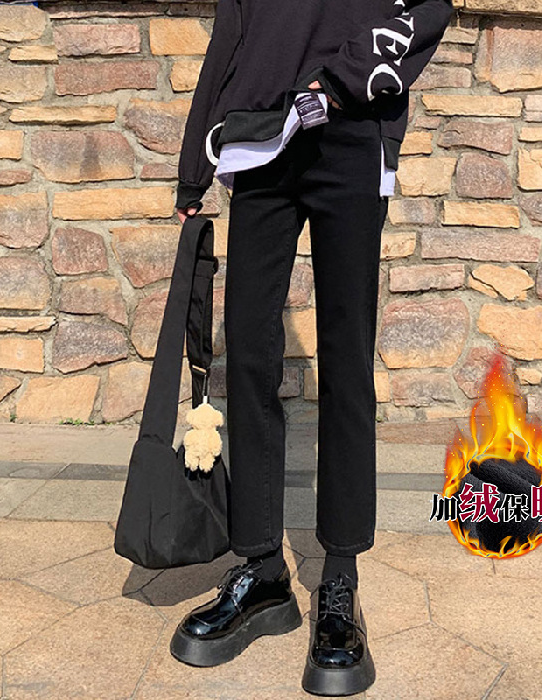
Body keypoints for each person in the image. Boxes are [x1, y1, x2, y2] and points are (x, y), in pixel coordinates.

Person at [170, 0, 453, 695]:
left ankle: (340, 579)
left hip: (352, 131)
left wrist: (340, 81)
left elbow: (429, 8)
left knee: (346, 364)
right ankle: (262, 568)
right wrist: (193, 164)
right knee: (249, 357)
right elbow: (232, 30)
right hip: (260, 137)